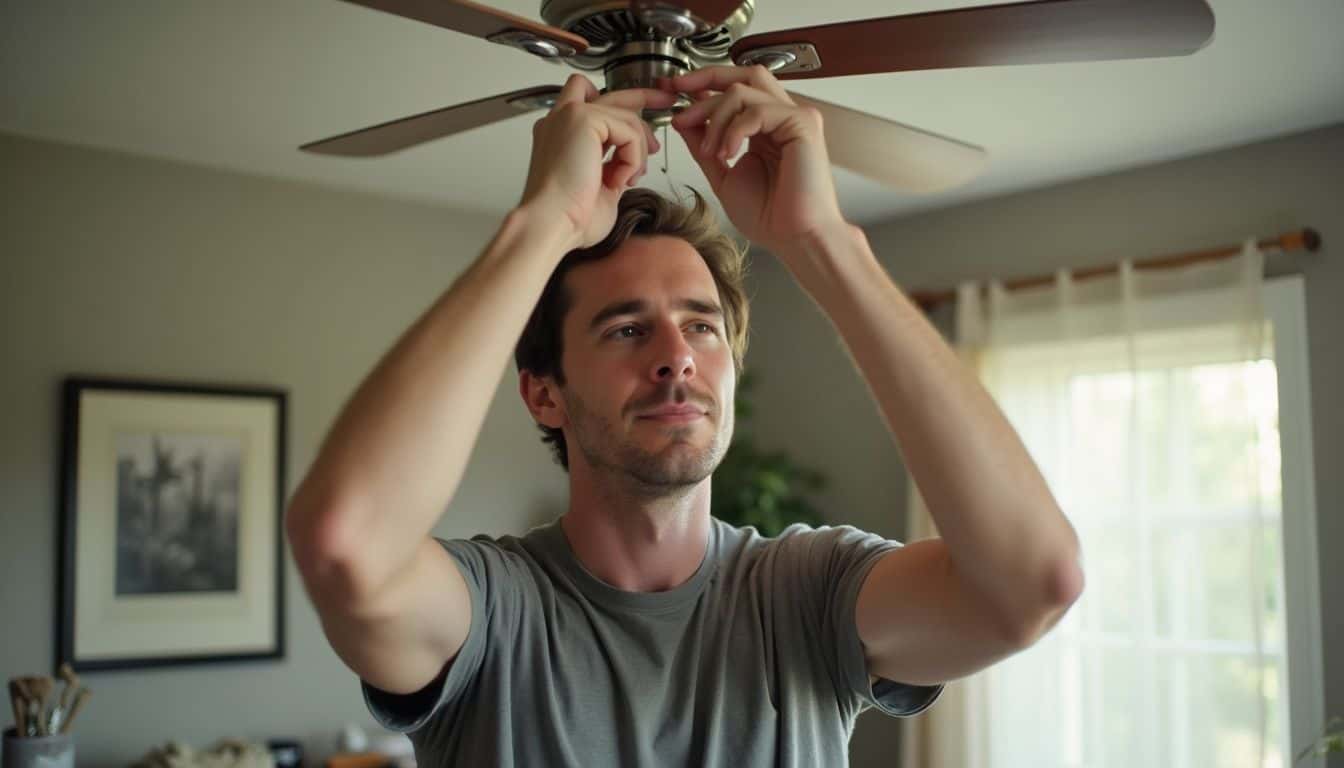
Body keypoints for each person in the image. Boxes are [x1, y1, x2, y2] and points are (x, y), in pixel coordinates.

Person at [286, 65, 1084, 766]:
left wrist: (820, 241)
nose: (678, 355)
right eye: (627, 329)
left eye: (702, 325)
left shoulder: (808, 595)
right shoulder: (493, 612)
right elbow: (347, 545)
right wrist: (547, 225)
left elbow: (1031, 584)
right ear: (544, 392)